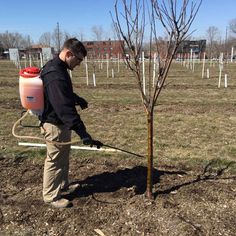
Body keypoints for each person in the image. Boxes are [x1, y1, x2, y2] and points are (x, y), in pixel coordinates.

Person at [39, 38, 103, 208]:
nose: (79, 64)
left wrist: (77, 99)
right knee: (54, 160)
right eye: (79, 60)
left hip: (60, 123)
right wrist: (83, 134)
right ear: (68, 54)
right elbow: (65, 110)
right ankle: (51, 196)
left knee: (63, 157)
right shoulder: (55, 74)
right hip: (54, 124)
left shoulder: (59, 67)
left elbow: (63, 95)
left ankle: (62, 185)